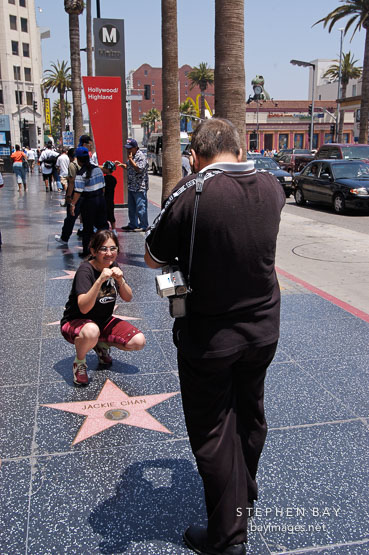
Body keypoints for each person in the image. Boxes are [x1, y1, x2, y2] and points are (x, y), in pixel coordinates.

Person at [144, 118, 285, 555]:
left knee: (214, 430)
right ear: (240, 150)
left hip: (210, 336)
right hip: (263, 328)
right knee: (250, 412)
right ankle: (245, 493)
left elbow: (152, 257)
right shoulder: (273, 187)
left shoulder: (191, 192)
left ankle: (227, 537)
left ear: (196, 155)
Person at [61, 229, 146, 385]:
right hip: (76, 323)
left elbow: (128, 297)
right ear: (93, 251)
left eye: (113, 248)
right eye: (103, 249)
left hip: (103, 321)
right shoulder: (85, 270)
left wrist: (120, 280)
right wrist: (99, 280)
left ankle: (101, 344)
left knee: (138, 341)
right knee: (91, 331)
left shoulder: (113, 265)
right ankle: (79, 363)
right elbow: (84, 308)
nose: (109, 253)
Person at [69, 147, 109, 257]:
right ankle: (107, 247)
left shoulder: (80, 174)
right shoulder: (97, 170)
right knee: (103, 226)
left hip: (88, 203)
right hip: (100, 200)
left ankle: (87, 251)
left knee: (88, 228)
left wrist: (72, 204)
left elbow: (78, 192)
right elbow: (103, 187)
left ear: (78, 159)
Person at [115, 138, 149, 232]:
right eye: (127, 148)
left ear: (135, 148)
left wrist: (130, 160)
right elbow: (129, 167)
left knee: (141, 207)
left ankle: (143, 225)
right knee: (132, 208)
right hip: (131, 186)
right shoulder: (132, 156)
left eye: (130, 148)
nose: (128, 150)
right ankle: (133, 224)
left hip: (139, 187)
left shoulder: (141, 156)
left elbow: (139, 169)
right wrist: (122, 165)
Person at [55, 148, 80, 245]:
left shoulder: (72, 165)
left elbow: (71, 182)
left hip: (75, 194)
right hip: (85, 194)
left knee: (70, 217)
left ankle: (64, 238)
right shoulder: (86, 164)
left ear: (70, 157)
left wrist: (68, 196)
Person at [102, 161, 118, 235]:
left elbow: (103, 190)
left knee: (103, 215)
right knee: (111, 215)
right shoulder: (114, 179)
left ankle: (104, 229)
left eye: (104, 168)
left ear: (108, 169)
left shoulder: (104, 179)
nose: (103, 169)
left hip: (104, 199)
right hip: (111, 200)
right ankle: (114, 230)